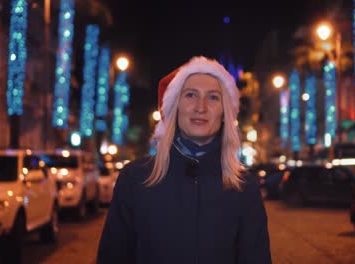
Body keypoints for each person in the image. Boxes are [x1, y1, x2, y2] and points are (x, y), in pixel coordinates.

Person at [97, 56, 272, 264]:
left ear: (225, 112)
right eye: (190, 95)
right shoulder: (134, 178)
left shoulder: (245, 187)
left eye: (214, 97)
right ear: (174, 107)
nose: (201, 107)